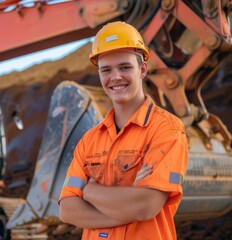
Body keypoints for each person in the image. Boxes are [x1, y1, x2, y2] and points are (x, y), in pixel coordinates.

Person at [58, 21, 188, 239]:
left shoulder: (166, 130)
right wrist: (128, 206)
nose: (115, 77)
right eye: (106, 70)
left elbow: (146, 206)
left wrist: (90, 191)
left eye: (125, 67)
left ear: (142, 69)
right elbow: (68, 210)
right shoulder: (89, 140)